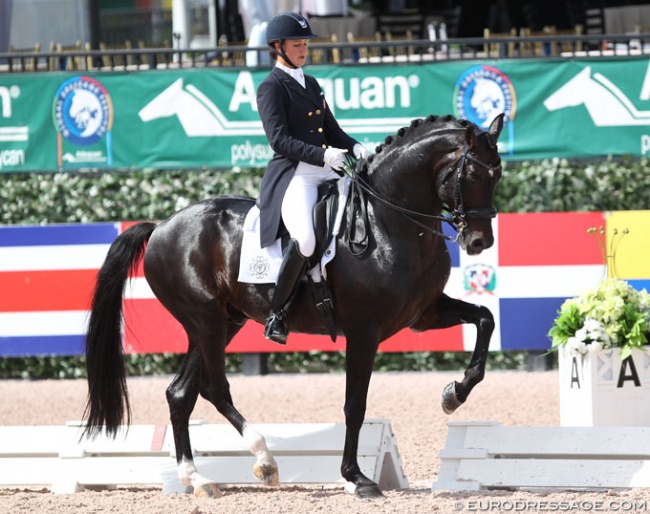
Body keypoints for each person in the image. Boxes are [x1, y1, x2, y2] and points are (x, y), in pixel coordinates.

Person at [256, 12, 369, 344]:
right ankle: (277, 314)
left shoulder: (312, 83)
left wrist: (354, 146)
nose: (304, 49)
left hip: (326, 169)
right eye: (297, 44)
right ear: (278, 47)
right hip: (296, 176)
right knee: (305, 239)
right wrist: (323, 154)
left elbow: (330, 129)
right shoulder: (271, 87)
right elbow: (279, 141)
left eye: (305, 43)